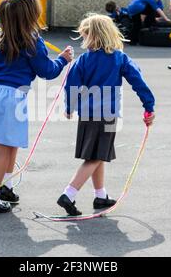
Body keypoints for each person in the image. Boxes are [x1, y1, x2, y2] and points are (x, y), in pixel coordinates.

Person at [0, 0, 74, 214]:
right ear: (32, 15)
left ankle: (4, 187)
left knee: (10, 143)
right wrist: (63, 60)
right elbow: (47, 71)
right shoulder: (33, 41)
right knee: (2, 148)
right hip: (12, 97)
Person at [57, 14, 155, 216]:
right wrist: (149, 105)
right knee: (95, 157)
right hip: (107, 115)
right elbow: (138, 81)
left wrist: (69, 107)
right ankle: (69, 193)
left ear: (89, 36)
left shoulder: (83, 60)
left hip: (87, 114)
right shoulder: (119, 58)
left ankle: (100, 195)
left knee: (97, 154)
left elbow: (71, 84)